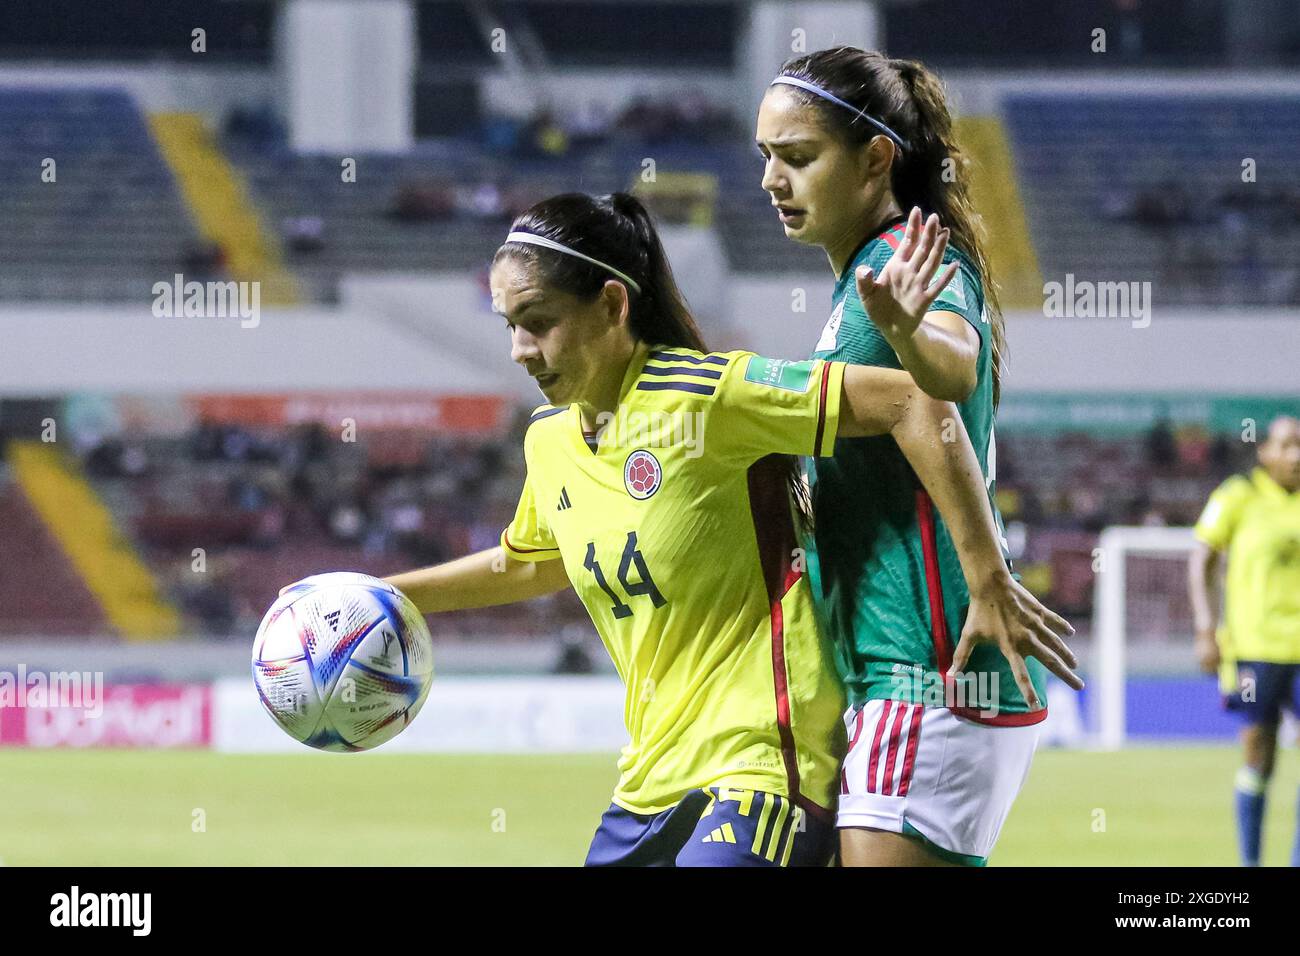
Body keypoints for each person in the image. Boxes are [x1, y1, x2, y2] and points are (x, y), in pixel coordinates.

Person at [384, 192, 1076, 867]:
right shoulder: (550, 443)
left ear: (613, 304)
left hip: (766, 766)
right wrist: (384, 597)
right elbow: (530, 563)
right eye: (507, 323)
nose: (518, 349)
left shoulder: (709, 396)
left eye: (537, 321)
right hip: (652, 780)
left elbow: (913, 400)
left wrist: (986, 574)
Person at [756, 46, 1082, 866]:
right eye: (765, 157)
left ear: (874, 158)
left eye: (797, 157)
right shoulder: (861, 282)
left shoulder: (905, 260)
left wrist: (908, 330)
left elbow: (948, 366)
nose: (771, 179)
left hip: (931, 669)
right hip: (900, 674)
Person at [1190, 415, 1300, 866]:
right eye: (1287, 446)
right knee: (1260, 758)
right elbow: (1201, 559)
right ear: (1265, 452)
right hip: (1256, 650)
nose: (1296, 456)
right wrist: (1205, 628)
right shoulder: (1240, 497)